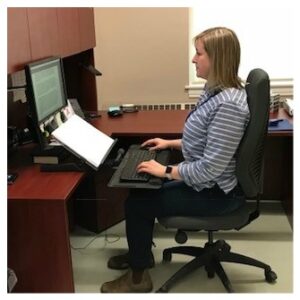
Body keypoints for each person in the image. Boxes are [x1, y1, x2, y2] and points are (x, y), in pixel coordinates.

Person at [100, 27, 250, 293]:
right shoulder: (215, 90)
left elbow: (211, 168)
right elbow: (206, 142)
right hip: (206, 183)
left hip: (217, 193)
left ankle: (138, 278)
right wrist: (170, 143)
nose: (193, 59)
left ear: (218, 58)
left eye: (199, 53)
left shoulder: (228, 105)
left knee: (138, 204)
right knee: (140, 190)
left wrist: (166, 170)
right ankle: (141, 256)